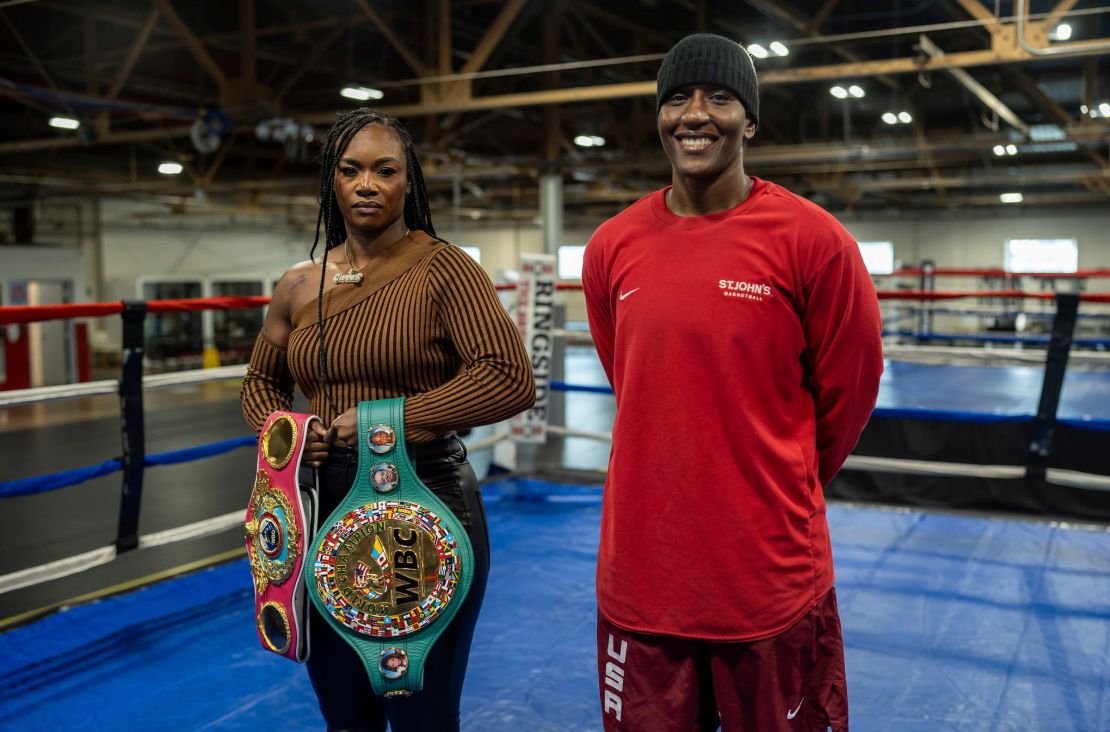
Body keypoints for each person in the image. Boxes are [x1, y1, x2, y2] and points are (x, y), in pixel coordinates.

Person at [582, 34, 883, 732]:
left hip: (766, 581)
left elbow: (849, 395)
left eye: (719, 98)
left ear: (749, 120)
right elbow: (634, 386)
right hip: (643, 581)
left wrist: (774, 483)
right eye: (676, 99)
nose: (695, 115)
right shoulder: (611, 247)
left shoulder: (813, 241)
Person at [241, 107, 535, 731]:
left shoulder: (444, 269)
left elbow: (510, 377)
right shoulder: (298, 283)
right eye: (350, 171)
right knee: (344, 709)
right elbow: (261, 382)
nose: (367, 184)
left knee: (420, 710)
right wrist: (291, 436)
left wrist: (390, 421)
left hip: (423, 501)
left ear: (409, 183)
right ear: (332, 183)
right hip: (319, 507)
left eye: (385, 170)